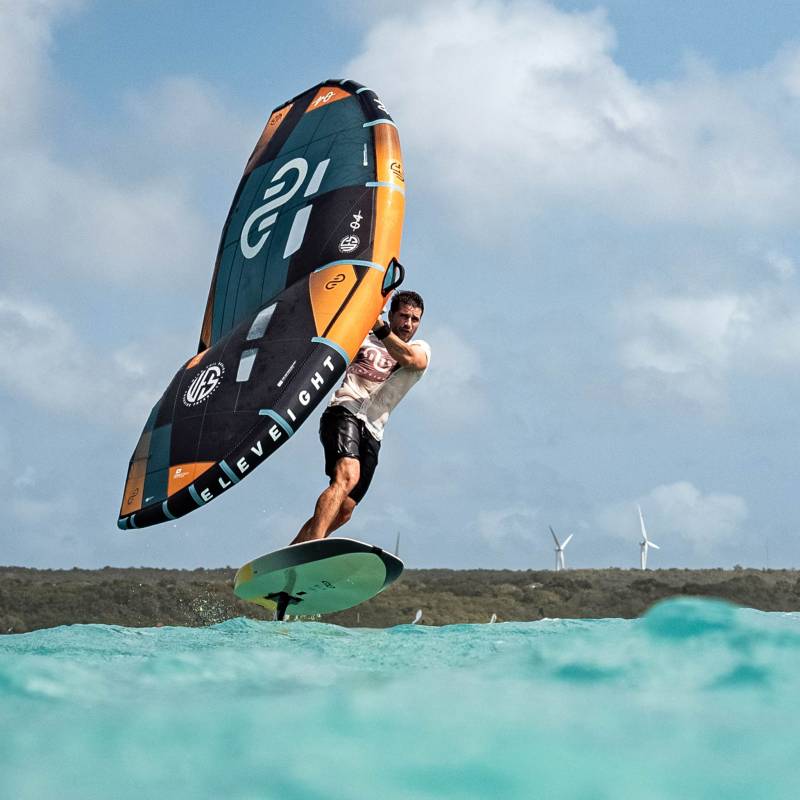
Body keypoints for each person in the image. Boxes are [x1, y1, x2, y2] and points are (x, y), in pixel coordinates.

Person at [291, 290, 430, 544]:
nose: (408, 324)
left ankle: (290, 559)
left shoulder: (418, 348)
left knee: (345, 510)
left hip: (374, 431)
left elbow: (411, 360)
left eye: (415, 319)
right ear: (391, 314)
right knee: (346, 476)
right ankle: (313, 548)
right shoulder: (360, 336)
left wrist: (378, 327)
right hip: (344, 411)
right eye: (403, 316)